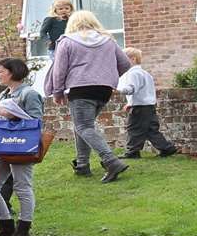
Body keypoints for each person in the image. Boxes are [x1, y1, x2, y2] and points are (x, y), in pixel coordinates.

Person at [44, 10, 132, 182]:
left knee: (84, 127)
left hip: (80, 89)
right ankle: (82, 165)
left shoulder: (67, 41)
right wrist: (107, 77)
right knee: (83, 126)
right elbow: (125, 64)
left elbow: (60, 70)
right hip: (104, 90)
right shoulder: (108, 41)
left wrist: (57, 91)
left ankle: (111, 161)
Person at [0, 57, 42, 236]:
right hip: (3, 144)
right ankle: (5, 225)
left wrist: (11, 114)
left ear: (13, 72)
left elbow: (36, 121)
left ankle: (24, 229)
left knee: (22, 186)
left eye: (0, 71)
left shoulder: (29, 93)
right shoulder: (4, 94)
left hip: (21, 146)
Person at [117, 47, 176, 158]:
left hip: (139, 107)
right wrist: (130, 103)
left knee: (134, 128)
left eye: (123, 59)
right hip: (148, 106)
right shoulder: (145, 73)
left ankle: (132, 152)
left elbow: (132, 88)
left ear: (133, 59)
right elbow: (145, 91)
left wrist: (118, 89)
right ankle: (167, 148)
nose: (121, 62)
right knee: (150, 130)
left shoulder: (133, 74)